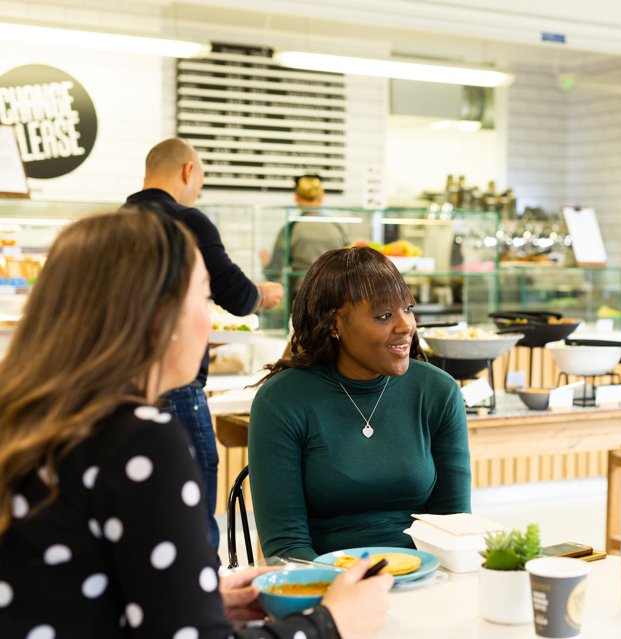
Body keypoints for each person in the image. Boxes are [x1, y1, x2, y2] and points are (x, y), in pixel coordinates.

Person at [0, 209, 391, 639]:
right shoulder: (139, 439)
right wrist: (331, 624)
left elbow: (64, 590)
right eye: (204, 299)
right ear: (158, 318)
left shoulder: (34, 418)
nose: (211, 323)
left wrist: (193, 595)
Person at [248, 246, 472, 560]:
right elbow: (286, 547)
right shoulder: (282, 401)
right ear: (333, 324)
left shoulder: (437, 391)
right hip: (325, 583)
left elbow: (454, 527)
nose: (406, 325)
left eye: (407, 308)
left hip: (425, 576)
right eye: (384, 315)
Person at [126, 137, 284, 553]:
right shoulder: (187, 220)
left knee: (144, 512)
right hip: (178, 387)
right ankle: (200, 598)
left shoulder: (118, 223)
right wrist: (262, 295)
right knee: (193, 517)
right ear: (187, 171)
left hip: (126, 385)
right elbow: (237, 295)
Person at [262, 174, 350, 302]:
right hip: (335, 295)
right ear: (321, 197)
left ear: (296, 198)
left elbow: (273, 273)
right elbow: (349, 262)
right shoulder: (337, 227)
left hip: (302, 297)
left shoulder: (291, 228)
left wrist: (265, 262)